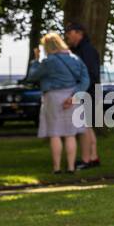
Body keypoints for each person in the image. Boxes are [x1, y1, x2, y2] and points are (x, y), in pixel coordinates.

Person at [25, 33, 89, 174]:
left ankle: (57, 168)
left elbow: (32, 76)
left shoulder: (48, 61)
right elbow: (85, 79)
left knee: (55, 133)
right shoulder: (75, 58)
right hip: (73, 96)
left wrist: (36, 60)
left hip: (53, 97)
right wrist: (73, 96)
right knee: (71, 134)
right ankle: (71, 167)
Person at [63, 22, 100, 169]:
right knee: (87, 127)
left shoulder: (87, 51)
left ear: (79, 33)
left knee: (85, 127)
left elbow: (90, 75)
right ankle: (93, 157)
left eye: (70, 32)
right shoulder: (79, 50)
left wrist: (79, 94)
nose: (67, 35)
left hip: (87, 92)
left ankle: (88, 159)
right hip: (86, 92)